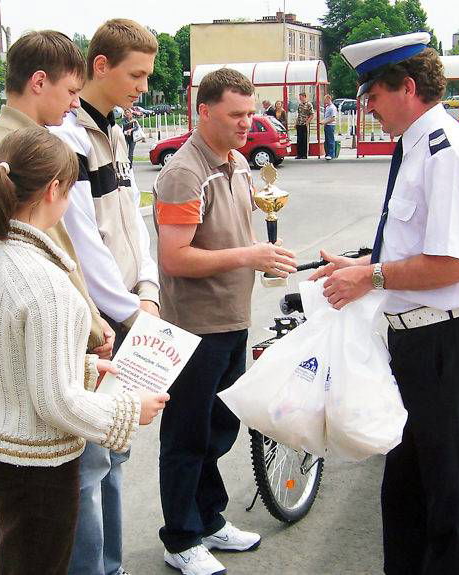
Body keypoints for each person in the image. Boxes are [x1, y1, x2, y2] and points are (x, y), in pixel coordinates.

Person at [310, 33, 459, 574]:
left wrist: (370, 276)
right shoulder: (418, 145)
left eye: (372, 94)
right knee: (406, 487)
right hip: (418, 333)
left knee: (446, 491)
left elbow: (457, 263)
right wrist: (363, 266)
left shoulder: (449, 153)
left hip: (445, 334)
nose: (366, 107)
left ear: (408, 88)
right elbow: (411, 246)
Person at [0, 127, 169, 575]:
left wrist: (88, 365)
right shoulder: (44, 281)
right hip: (36, 464)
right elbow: (56, 401)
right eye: (73, 186)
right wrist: (130, 409)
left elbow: (12, 353)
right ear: (55, 189)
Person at [0, 30, 116, 575]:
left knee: (11, 526)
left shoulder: (20, 144)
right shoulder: (15, 151)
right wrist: (87, 330)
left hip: (11, 417)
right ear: (38, 82)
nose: (76, 101)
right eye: (72, 90)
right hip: (31, 431)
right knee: (25, 531)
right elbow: (30, 275)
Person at [153, 67, 297, 575]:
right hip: (194, 327)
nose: (246, 123)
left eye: (250, 112)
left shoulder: (235, 163)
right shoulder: (184, 173)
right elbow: (175, 258)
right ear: (204, 110)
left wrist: (259, 255)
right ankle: (180, 537)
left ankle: (209, 519)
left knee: (218, 430)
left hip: (231, 321)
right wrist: (250, 255)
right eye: (236, 114)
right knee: (187, 437)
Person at [48, 19, 160, 575]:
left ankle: (111, 565)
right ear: (100, 66)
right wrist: (126, 309)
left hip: (130, 312)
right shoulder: (67, 138)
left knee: (118, 454)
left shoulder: (114, 132)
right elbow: (84, 240)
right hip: (99, 324)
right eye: (134, 74)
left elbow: (135, 222)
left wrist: (151, 292)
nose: (142, 86)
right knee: (93, 465)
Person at [295, 91, 314, 159]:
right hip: (299, 124)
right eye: (299, 97)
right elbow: (299, 114)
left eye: (301, 97)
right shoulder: (300, 105)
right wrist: (296, 123)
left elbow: (312, 115)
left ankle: (304, 154)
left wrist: (307, 122)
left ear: (304, 97)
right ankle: (299, 154)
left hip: (305, 124)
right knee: (299, 139)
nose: (300, 99)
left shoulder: (309, 104)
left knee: (305, 140)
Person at [322, 93, 338, 160]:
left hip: (330, 125)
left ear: (329, 99)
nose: (324, 101)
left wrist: (325, 122)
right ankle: (327, 153)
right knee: (327, 140)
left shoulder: (332, 108)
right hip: (326, 125)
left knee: (331, 140)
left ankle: (331, 154)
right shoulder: (327, 107)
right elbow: (327, 117)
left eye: (325, 100)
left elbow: (333, 118)